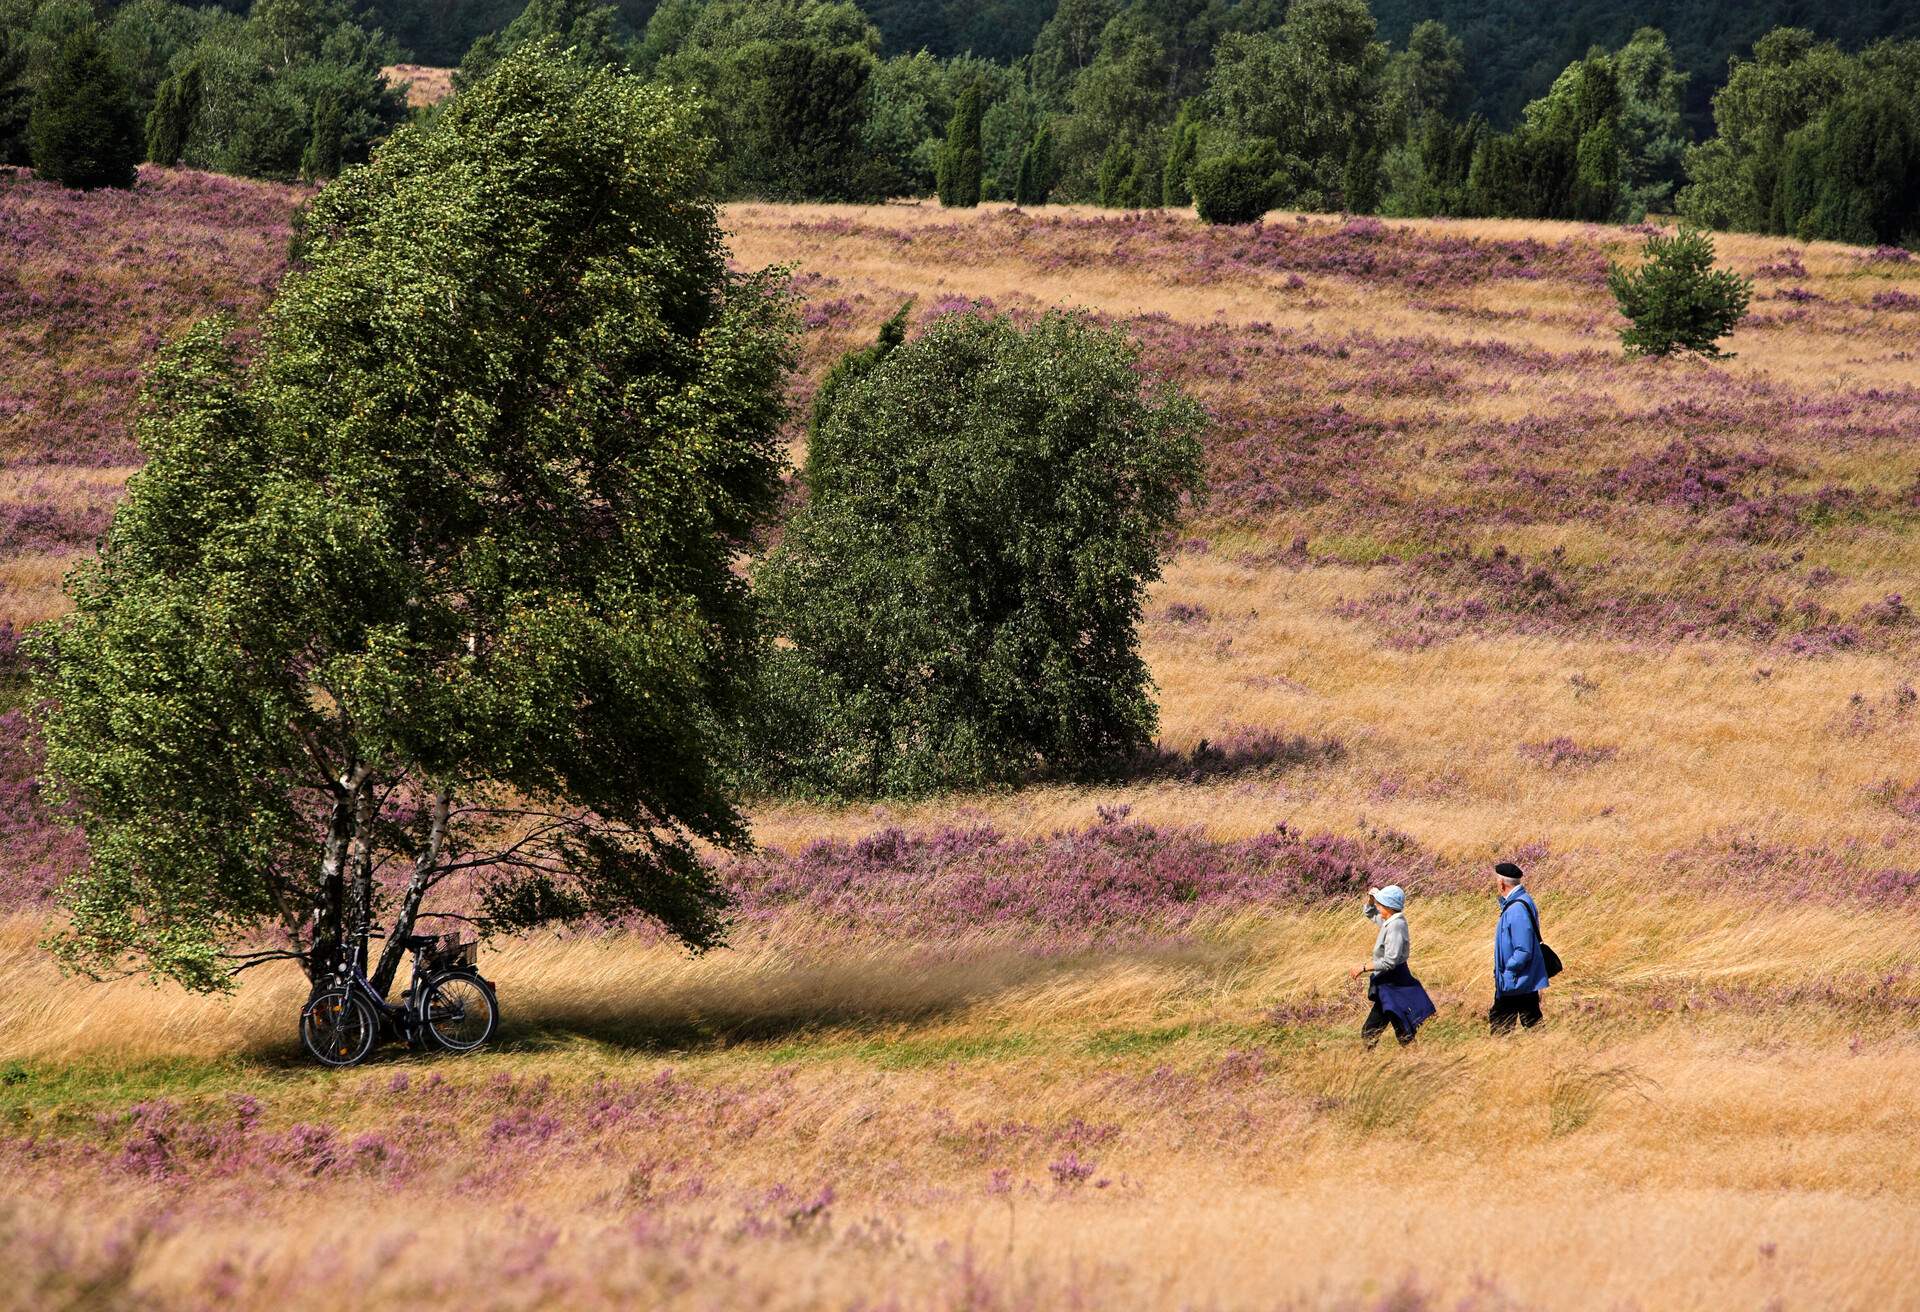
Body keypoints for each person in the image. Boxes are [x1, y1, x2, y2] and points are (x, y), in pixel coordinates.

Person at [1350, 884, 1435, 1046]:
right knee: (1395, 1033)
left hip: (1393, 984)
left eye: (1380, 904)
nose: (1377, 907)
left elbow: (1390, 960)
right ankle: (1411, 1061)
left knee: (1386, 1033)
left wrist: (1363, 967)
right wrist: (1371, 899)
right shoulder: (1389, 920)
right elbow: (1370, 912)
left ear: (1388, 907)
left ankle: (1413, 1064)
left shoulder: (1396, 926)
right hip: (1389, 985)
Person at [1489, 860, 1548, 1033]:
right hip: (1522, 979)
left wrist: (1509, 971)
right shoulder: (1522, 901)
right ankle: (1544, 1052)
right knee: (1532, 1021)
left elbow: (1523, 949)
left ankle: (1500, 1055)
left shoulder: (1516, 909)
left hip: (1516, 979)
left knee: (1501, 1024)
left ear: (1501, 883)